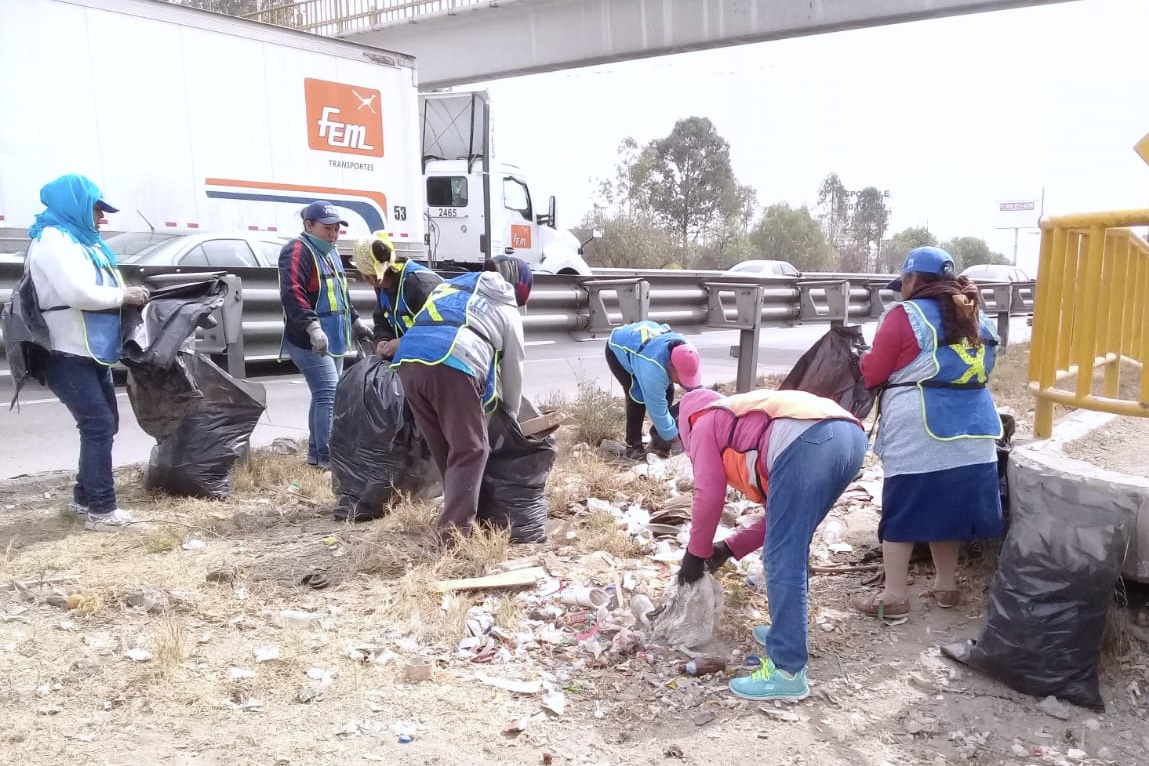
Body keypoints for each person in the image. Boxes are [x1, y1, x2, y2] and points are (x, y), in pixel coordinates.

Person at [675, 387, 867, 701]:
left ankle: (787, 670)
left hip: (810, 439)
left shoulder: (705, 422)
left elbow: (708, 496)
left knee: (782, 557)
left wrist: (695, 555)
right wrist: (729, 548)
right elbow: (778, 517)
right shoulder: (740, 417)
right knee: (792, 541)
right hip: (849, 436)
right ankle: (786, 633)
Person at [850, 246, 1003, 618]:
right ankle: (946, 587)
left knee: (902, 513)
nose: (901, 289)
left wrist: (862, 359)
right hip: (975, 431)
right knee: (947, 509)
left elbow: (873, 374)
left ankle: (894, 596)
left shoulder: (904, 316)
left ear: (915, 279)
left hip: (921, 430)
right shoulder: (978, 317)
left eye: (903, 280)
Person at [25, 174, 150, 530]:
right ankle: (102, 510)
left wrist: (127, 292)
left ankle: (84, 499)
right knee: (98, 424)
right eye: (97, 208)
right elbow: (77, 293)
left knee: (103, 423)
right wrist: (122, 296)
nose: (102, 217)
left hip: (91, 350)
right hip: (64, 352)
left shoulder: (82, 240)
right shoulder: (53, 239)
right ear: (75, 204)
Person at [391, 256, 532, 544]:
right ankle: (454, 536)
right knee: (472, 449)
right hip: (452, 361)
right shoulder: (506, 307)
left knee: (444, 444)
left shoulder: (451, 286)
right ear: (518, 290)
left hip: (409, 361)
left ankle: (455, 512)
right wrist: (511, 419)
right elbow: (513, 369)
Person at [278, 200, 371, 469]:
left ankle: (317, 453)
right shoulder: (297, 251)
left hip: (335, 337)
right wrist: (312, 328)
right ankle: (327, 457)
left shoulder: (330, 252)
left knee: (324, 395)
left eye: (337, 229)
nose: (333, 234)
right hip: (310, 340)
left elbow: (340, 292)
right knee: (329, 394)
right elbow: (292, 293)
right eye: (327, 228)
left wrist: (354, 321)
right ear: (309, 226)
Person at [605, 320, 702, 459]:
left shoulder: (689, 353)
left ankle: (659, 439)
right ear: (670, 365)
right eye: (681, 377)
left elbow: (698, 393)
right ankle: (633, 446)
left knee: (669, 392)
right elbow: (658, 412)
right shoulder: (653, 371)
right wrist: (676, 443)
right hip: (619, 347)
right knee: (637, 397)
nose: (683, 382)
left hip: (651, 345)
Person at [350, 230, 442, 358]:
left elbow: (441, 330)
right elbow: (382, 320)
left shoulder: (419, 285)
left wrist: (403, 343)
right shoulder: (382, 286)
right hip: (415, 359)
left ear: (373, 277)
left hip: (440, 362)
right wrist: (383, 340)